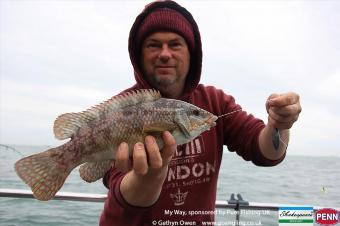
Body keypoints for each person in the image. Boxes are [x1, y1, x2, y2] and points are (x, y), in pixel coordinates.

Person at [99, 1, 302, 225]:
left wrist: (279, 125)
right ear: (139, 55)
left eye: (175, 44)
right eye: (153, 45)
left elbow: (263, 151)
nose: (165, 54)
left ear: (192, 53)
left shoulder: (214, 101)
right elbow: (119, 187)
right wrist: (147, 178)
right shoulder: (119, 109)